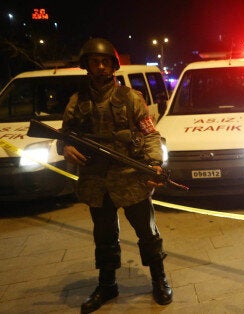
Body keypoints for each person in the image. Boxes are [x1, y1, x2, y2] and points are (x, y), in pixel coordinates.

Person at [58, 38, 172, 313]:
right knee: (104, 236)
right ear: (86, 66)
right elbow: (64, 136)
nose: (100, 67)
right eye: (95, 62)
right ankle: (107, 284)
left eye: (105, 62)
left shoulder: (131, 98)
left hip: (131, 177)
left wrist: (155, 163)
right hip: (96, 182)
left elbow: (149, 133)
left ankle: (159, 278)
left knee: (148, 233)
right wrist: (66, 148)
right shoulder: (77, 101)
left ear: (113, 65)